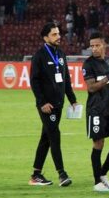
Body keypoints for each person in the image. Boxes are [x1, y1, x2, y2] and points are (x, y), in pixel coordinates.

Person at [29, 23, 77, 187]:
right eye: (54, 34)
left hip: (59, 104)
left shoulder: (61, 54)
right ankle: (62, 174)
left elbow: (66, 79)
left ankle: (36, 175)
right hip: (47, 106)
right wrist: (42, 102)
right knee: (54, 136)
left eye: (58, 34)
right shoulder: (39, 56)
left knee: (46, 139)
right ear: (46, 37)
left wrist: (72, 99)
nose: (59, 37)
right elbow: (34, 82)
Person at [83, 33, 109, 192]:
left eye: (97, 45)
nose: (94, 48)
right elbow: (92, 87)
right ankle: (97, 182)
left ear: (104, 45)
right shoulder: (88, 65)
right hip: (96, 110)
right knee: (99, 143)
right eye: (91, 46)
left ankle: (103, 173)